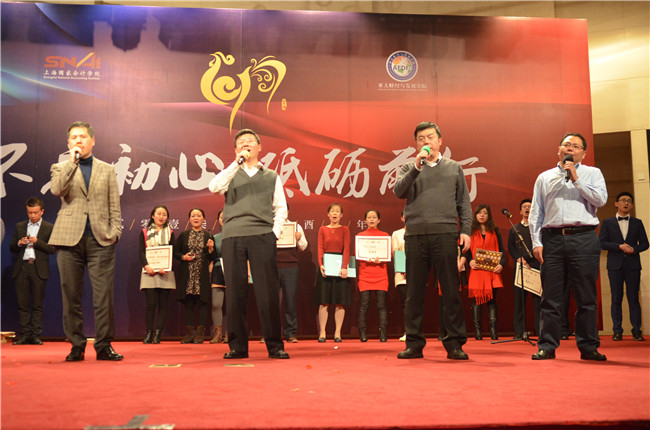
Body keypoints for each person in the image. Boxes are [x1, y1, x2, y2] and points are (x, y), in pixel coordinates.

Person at [208, 128, 290, 359]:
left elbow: (281, 208)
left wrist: (273, 233)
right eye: (241, 142)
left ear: (259, 147)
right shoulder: (231, 173)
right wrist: (236, 164)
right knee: (235, 292)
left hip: (262, 235)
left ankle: (275, 345)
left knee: (267, 292)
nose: (246, 144)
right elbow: (214, 188)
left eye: (251, 141)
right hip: (233, 236)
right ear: (236, 149)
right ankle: (237, 347)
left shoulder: (271, 176)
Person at [393, 121, 471, 360]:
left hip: (445, 233)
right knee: (414, 292)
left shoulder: (454, 168)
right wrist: (416, 168)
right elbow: (398, 192)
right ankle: (414, 343)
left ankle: (454, 343)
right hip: (415, 235)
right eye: (421, 139)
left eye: (430, 137)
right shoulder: (409, 167)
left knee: (450, 290)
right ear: (416, 144)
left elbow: (463, 202)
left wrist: (466, 230)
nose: (426, 142)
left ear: (440, 141)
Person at [529, 132, 608, 361]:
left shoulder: (593, 173)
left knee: (586, 297)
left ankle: (588, 346)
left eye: (575, 146)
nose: (570, 149)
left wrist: (576, 179)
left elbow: (600, 200)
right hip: (552, 239)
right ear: (559, 150)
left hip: (584, 238)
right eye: (566, 145)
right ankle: (547, 346)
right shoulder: (544, 177)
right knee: (550, 297)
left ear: (583, 153)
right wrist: (536, 242)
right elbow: (536, 212)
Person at [49, 121, 123, 362]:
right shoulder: (60, 167)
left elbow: (114, 204)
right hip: (68, 239)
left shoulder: (107, 169)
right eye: (73, 137)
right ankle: (76, 345)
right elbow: (57, 190)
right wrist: (72, 163)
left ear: (93, 140)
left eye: (82, 136)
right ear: (68, 143)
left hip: (101, 239)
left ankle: (103, 345)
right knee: (71, 295)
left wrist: (115, 232)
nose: (78, 140)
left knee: (103, 296)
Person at [599, 191, 648, 341]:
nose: (626, 203)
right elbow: (601, 243)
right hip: (615, 265)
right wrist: (619, 246)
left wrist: (634, 249)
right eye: (623, 200)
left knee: (633, 298)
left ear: (632, 206)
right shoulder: (607, 222)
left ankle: (637, 330)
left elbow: (645, 243)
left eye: (629, 201)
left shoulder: (637, 222)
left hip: (633, 265)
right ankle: (617, 331)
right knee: (616, 298)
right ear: (616, 204)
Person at [9, 197, 55, 345]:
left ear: (42, 211)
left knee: (37, 304)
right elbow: (12, 248)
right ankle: (24, 335)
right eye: (29, 212)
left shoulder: (49, 227)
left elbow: (52, 249)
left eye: (35, 212)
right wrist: (19, 242)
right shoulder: (20, 226)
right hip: (22, 268)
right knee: (22, 304)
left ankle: (35, 335)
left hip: (38, 268)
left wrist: (37, 242)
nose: (32, 215)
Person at [174, 208, 215, 344]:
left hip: (201, 274)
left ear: (203, 219)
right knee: (188, 304)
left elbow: (212, 257)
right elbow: (175, 253)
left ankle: (200, 335)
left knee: (202, 303)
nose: (196, 218)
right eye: (193, 216)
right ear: (189, 219)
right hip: (187, 274)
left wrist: (210, 249)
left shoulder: (208, 236)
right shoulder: (184, 235)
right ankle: (190, 334)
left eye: (198, 216)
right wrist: (183, 257)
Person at [314, 203, 351, 343]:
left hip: (340, 268)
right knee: (324, 301)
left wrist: (344, 267)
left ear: (341, 215)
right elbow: (320, 248)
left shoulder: (345, 229)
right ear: (328, 214)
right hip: (326, 267)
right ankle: (322, 332)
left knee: (340, 302)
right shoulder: (322, 229)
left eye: (337, 211)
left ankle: (337, 333)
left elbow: (346, 248)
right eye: (332, 211)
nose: (335, 213)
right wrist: (321, 264)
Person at [139, 205, 176, 344]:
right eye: (159, 214)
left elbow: (172, 251)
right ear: (153, 216)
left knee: (163, 305)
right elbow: (141, 251)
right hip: (149, 271)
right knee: (150, 304)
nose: (161, 216)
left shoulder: (170, 232)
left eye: (164, 214)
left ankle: (158, 334)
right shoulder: (144, 232)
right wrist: (146, 266)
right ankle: (148, 333)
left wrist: (165, 266)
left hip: (164, 271)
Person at [467, 204, 505, 340]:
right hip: (477, 270)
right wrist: (470, 261)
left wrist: (501, 265)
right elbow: (465, 250)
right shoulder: (470, 231)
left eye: (485, 213)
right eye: (479, 213)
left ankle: (493, 330)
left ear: (489, 215)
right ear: (475, 215)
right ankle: (477, 331)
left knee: (492, 300)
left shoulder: (495, 231)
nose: (482, 215)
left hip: (492, 271)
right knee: (477, 301)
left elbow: (502, 250)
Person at [507, 198, 541, 339]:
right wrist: (519, 259)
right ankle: (520, 332)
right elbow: (511, 247)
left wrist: (530, 260)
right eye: (524, 207)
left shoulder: (537, 228)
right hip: (521, 267)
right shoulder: (514, 228)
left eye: (529, 206)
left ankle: (540, 331)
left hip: (536, 267)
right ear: (520, 211)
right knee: (519, 302)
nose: (527, 208)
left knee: (538, 302)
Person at [276, 207, 308, 343]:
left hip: (290, 267)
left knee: (290, 300)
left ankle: (290, 333)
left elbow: (304, 246)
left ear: (288, 212)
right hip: (273, 267)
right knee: (271, 301)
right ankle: (271, 334)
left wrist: (298, 239)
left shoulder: (296, 227)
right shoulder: (270, 227)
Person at [357, 209, 390, 342]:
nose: (371, 219)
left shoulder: (384, 235)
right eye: (369, 217)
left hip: (380, 274)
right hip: (365, 275)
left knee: (381, 305)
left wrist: (381, 259)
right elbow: (356, 253)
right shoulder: (361, 236)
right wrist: (366, 257)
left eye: (374, 217)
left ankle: (383, 334)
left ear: (379, 220)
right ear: (365, 220)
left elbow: (389, 254)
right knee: (364, 304)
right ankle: (362, 333)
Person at [210, 210, 226, 344]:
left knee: (234, 304)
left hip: (234, 270)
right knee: (216, 304)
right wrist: (210, 249)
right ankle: (217, 333)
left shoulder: (239, 236)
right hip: (217, 269)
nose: (224, 219)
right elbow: (211, 257)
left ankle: (232, 333)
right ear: (218, 220)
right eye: (221, 217)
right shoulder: (214, 238)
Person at [391, 211, 407, 342]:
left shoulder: (419, 232)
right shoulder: (397, 234)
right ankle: (408, 331)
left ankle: (416, 331)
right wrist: (404, 268)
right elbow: (396, 252)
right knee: (405, 303)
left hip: (416, 272)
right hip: (402, 273)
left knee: (416, 304)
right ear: (402, 218)